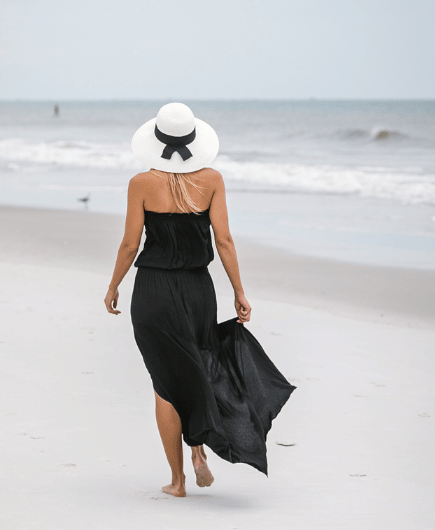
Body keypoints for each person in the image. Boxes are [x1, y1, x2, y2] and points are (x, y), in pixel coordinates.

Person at [104, 103, 295, 498]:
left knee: (165, 381)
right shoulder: (211, 180)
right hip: (198, 290)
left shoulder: (140, 183)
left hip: (154, 291)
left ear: (155, 141)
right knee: (199, 366)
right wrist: (239, 291)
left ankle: (178, 481)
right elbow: (224, 240)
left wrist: (113, 286)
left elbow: (129, 244)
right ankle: (198, 450)